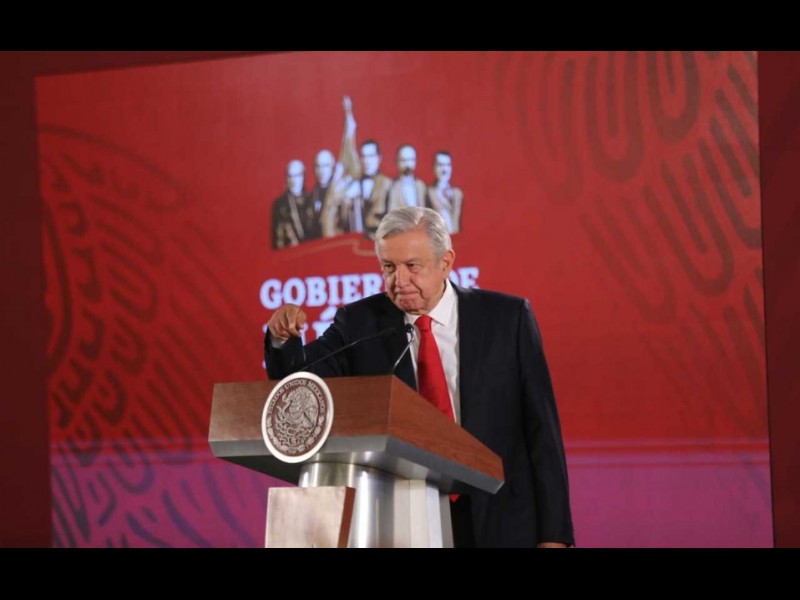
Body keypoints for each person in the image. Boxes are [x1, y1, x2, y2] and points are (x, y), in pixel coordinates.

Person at [264, 206, 575, 547]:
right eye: (389, 267)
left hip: (502, 520)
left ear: (446, 262)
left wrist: (554, 536)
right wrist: (282, 340)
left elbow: (542, 433)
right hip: (406, 519)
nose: (400, 281)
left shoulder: (507, 319)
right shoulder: (359, 323)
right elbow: (300, 384)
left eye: (412, 266)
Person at [272, 159, 315, 249]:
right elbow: (277, 239)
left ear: (303, 177)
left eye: (297, 176)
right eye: (290, 176)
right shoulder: (279, 205)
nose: (293, 180)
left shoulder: (312, 199)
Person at [426, 150, 463, 234]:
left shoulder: (457, 193)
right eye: (440, 165)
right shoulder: (429, 192)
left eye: (448, 165)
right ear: (434, 168)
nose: (444, 169)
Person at [387, 144, 427, 212]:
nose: (407, 164)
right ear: (397, 162)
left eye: (411, 160)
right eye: (403, 160)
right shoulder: (392, 187)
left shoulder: (421, 186)